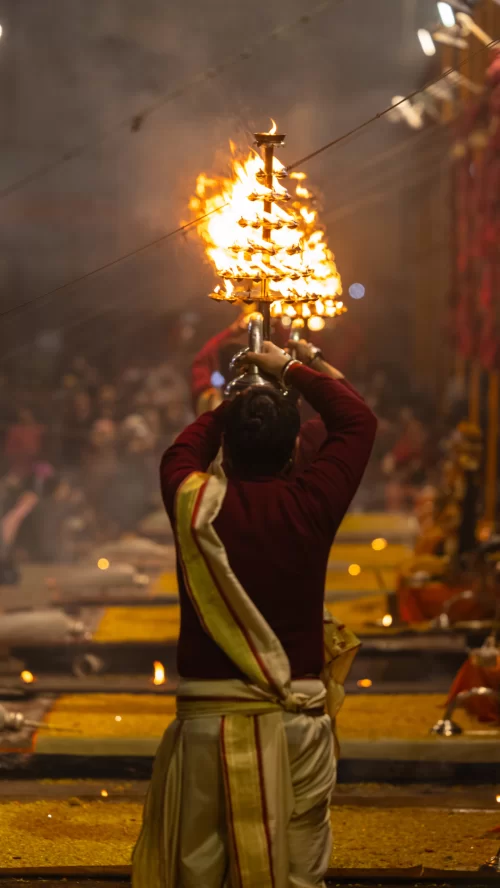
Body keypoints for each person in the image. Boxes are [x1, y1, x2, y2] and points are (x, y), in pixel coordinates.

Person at [133, 340, 377, 888]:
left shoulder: (191, 502)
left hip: (206, 731)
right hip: (296, 726)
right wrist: (291, 366)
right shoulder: (312, 502)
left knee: (199, 872)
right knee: (296, 875)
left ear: (226, 450)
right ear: (295, 451)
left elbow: (181, 450)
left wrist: (236, 401)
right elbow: (357, 421)